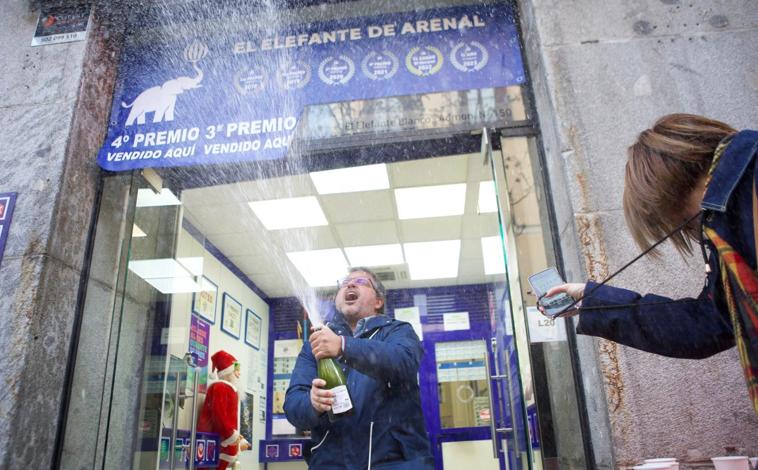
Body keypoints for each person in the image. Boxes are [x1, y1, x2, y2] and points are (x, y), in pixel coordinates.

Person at [543, 113, 758, 413]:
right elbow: (707, 324)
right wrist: (593, 300)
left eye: (676, 223)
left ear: (670, 196)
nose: (687, 233)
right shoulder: (725, 220)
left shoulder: (740, 199)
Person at [284, 267, 434, 469]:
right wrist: (312, 403)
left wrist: (343, 346)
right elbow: (293, 406)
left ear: (378, 301)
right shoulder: (316, 344)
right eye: (345, 282)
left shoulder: (398, 331)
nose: (351, 284)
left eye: (362, 282)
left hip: (395, 462)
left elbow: (404, 360)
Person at [197, 350, 251, 469]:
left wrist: (236, 439)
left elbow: (227, 420)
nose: (239, 374)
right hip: (215, 445)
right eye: (236, 370)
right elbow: (219, 415)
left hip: (221, 444)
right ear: (229, 372)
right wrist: (232, 436)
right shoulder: (220, 387)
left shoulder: (229, 389)